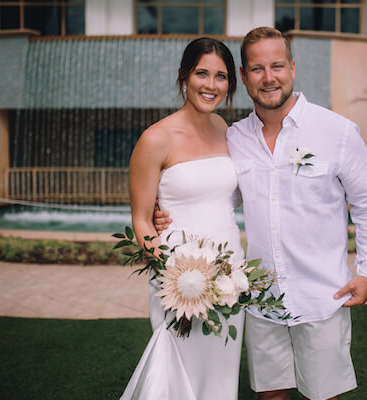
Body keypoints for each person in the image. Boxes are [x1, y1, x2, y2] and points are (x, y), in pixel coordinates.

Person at [154, 27, 367, 400]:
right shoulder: (236, 137)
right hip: (261, 299)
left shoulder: (337, 131)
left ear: (292, 68)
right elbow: (217, 195)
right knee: (272, 395)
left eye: (276, 66)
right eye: (257, 68)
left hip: (322, 296)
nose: (268, 77)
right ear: (244, 77)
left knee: (324, 395)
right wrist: (167, 209)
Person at [120, 37, 244, 400]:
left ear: (229, 84)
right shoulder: (155, 138)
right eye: (201, 73)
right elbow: (142, 221)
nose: (211, 85)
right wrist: (173, 276)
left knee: (220, 370)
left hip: (230, 273)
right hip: (179, 278)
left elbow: (223, 198)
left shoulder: (225, 129)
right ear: (184, 77)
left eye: (220, 76)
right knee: (179, 366)